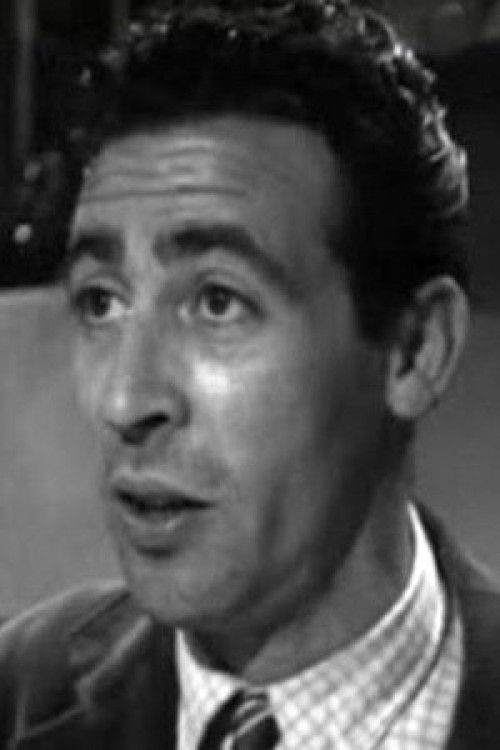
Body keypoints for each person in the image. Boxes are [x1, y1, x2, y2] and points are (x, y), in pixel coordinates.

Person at [1, 1, 499, 748]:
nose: (125, 400)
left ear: (415, 349)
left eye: (217, 302)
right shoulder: (17, 690)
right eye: (102, 302)